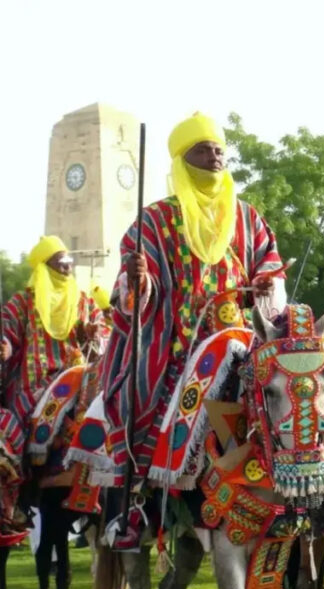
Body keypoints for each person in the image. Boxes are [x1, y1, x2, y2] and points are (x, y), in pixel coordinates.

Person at [77, 112, 284, 550]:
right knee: (132, 395)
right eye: (203, 150)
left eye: (219, 150)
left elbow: (270, 261)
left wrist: (266, 283)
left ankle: (315, 492)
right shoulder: (154, 220)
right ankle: (129, 507)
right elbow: (132, 287)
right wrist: (140, 281)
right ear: (182, 160)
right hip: (175, 345)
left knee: (299, 394)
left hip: (239, 337)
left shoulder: (248, 218)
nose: (214, 157)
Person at [2, 237, 107, 424]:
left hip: (78, 379)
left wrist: (92, 335)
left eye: (69, 263)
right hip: (36, 385)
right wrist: (6, 346)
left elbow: (104, 334)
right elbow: (6, 329)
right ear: (45, 267)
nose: (68, 268)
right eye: (61, 263)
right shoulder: (23, 302)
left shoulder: (84, 301)